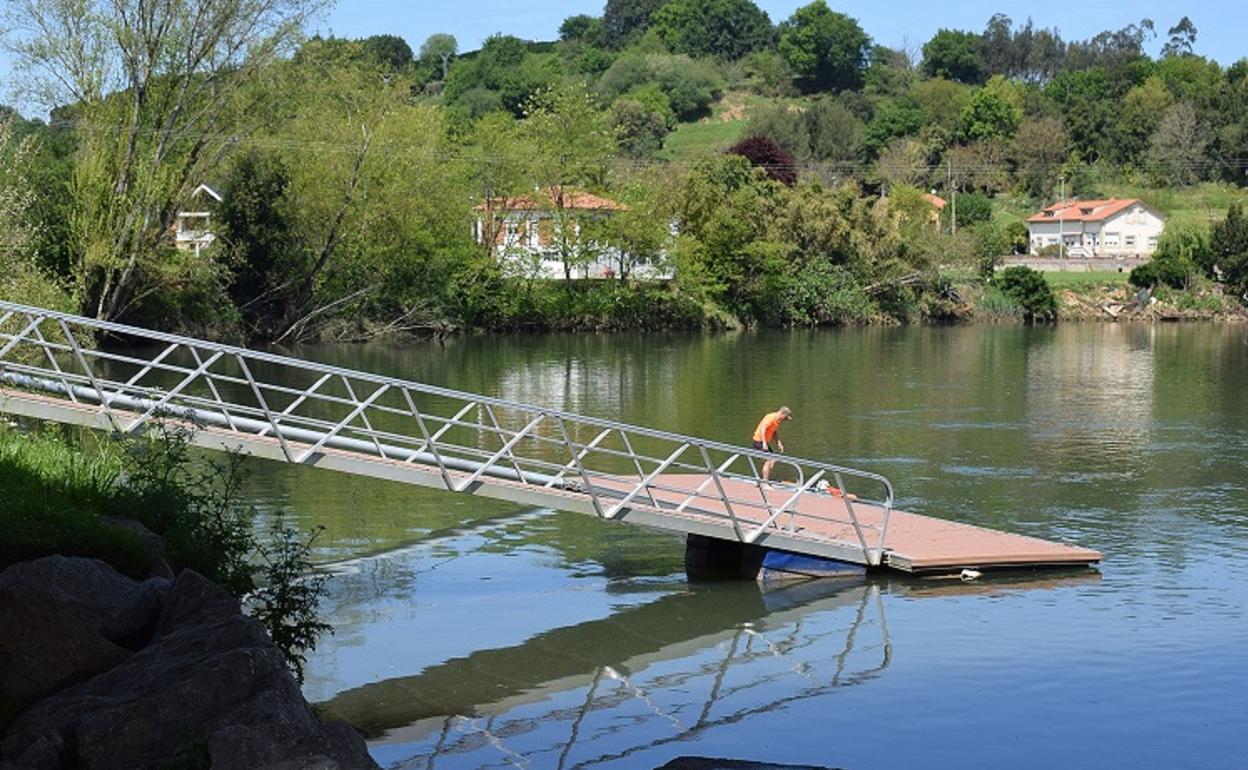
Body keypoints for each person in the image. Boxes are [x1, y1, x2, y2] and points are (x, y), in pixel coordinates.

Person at [751, 406, 791, 482]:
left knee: (772, 460)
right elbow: (763, 428)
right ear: (782, 414)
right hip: (759, 441)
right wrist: (764, 443)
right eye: (785, 418)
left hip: (764, 442)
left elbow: (774, 432)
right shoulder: (771, 417)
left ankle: (763, 479)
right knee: (768, 460)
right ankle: (764, 482)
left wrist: (778, 443)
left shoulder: (776, 421)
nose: (785, 420)